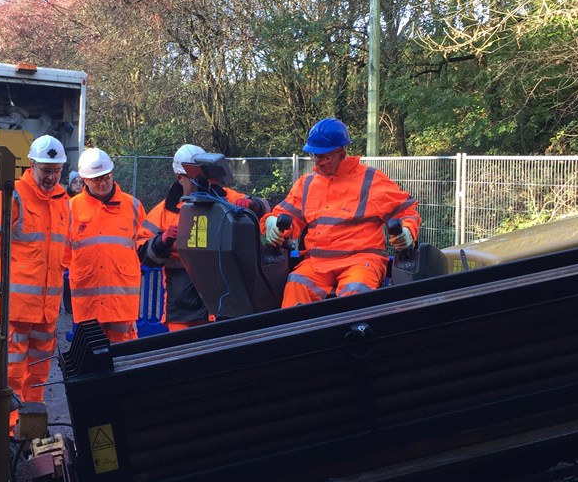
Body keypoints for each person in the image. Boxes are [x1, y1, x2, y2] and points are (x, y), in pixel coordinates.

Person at [262, 118, 421, 307]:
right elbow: (287, 216)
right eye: (315, 155)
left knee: (355, 293)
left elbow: (406, 212)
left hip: (361, 260)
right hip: (317, 263)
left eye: (324, 156)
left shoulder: (371, 180)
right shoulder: (307, 184)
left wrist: (407, 231)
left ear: (342, 152)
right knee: (296, 285)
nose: (318, 162)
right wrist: (272, 222)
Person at [138, 143, 269, 330]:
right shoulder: (163, 212)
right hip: (183, 304)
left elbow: (269, 209)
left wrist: (253, 204)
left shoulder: (226, 199)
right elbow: (142, 251)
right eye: (194, 178)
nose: (201, 182)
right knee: (181, 354)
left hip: (226, 301)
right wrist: (162, 241)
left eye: (203, 176)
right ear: (179, 177)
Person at [6, 134, 71, 431]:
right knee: (11, 374)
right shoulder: (14, 195)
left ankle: (31, 427)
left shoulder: (63, 201)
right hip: (17, 309)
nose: (51, 177)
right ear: (31, 165)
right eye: (46, 171)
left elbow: (64, 248)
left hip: (47, 308)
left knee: (39, 372)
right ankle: (5, 431)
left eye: (56, 171)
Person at [67, 147, 146, 343]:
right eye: (97, 179)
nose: (103, 182)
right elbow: (63, 252)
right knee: (92, 357)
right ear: (85, 179)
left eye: (106, 176)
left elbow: (145, 247)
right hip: (88, 303)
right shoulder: (71, 208)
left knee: (124, 358)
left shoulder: (133, 206)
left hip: (122, 303)